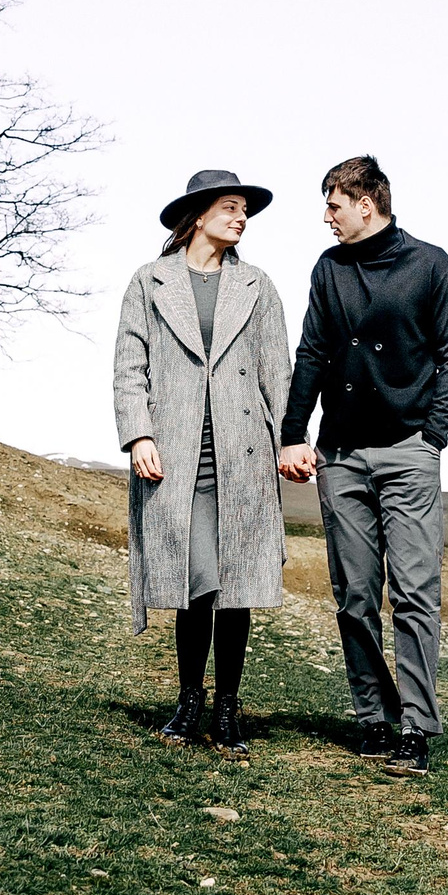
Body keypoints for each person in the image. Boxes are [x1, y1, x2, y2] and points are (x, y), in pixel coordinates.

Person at [277, 155, 448, 777]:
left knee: (414, 593)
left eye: (333, 204)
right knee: (355, 595)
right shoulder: (329, 270)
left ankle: (414, 727)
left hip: (408, 453)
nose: (326, 217)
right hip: (340, 456)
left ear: (367, 202)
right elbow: (311, 352)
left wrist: (431, 436)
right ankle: (373, 719)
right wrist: (292, 433)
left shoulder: (430, 265)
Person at [114, 169, 294, 757]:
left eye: (245, 210)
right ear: (196, 217)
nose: (242, 219)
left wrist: (290, 439)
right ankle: (189, 703)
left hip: (242, 456)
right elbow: (129, 366)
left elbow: (277, 371)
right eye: (230, 207)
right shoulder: (149, 281)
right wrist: (139, 434)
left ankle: (227, 710)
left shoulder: (258, 286)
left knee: (235, 585)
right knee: (196, 582)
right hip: (176, 455)